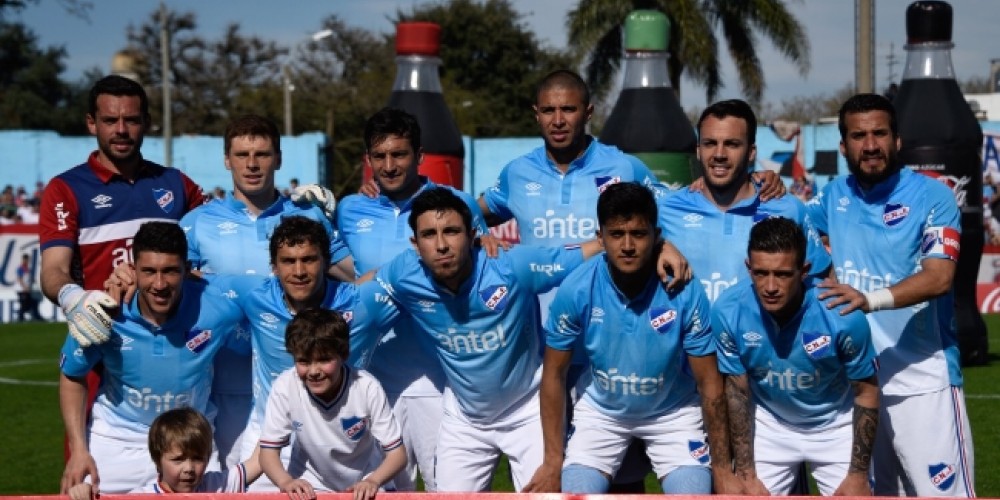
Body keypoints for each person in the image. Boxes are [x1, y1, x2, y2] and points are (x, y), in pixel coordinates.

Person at [372, 187, 612, 492]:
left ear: (473, 234)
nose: (442, 244)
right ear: (415, 245)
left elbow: (590, 251)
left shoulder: (512, 264)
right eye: (429, 234)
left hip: (528, 409)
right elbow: (360, 292)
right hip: (465, 418)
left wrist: (662, 245)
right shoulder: (404, 273)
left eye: (452, 231)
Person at [807, 93, 974, 496]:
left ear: (897, 140)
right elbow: (783, 232)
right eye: (858, 136)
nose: (870, 145)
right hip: (860, 386)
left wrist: (868, 300)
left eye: (879, 133)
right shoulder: (832, 197)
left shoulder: (933, 196)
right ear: (843, 145)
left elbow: (939, 277)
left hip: (924, 382)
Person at [39, 75, 207, 465]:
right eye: (110, 120)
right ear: (91, 123)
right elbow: (53, 270)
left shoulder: (176, 185)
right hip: (101, 348)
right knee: (88, 473)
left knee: (184, 470)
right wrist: (78, 299)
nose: (120, 130)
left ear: (146, 123)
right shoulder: (66, 189)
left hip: (171, 347)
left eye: (131, 120)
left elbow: (216, 241)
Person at [531, 182, 732, 494]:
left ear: (656, 236)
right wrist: (552, 461)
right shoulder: (577, 287)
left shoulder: (684, 289)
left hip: (673, 413)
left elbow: (709, 382)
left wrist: (721, 468)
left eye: (638, 234)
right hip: (601, 414)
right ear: (600, 238)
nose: (627, 245)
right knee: (576, 496)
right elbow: (554, 373)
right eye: (616, 234)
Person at [177, 114, 352, 471]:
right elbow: (169, 284)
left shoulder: (308, 216)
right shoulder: (198, 222)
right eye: (242, 154)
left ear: (279, 158)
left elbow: (353, 277)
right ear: (227, 160)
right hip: (222, 386)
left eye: (262, 154)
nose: (252, 164)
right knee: (232, 487)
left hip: (296, 384)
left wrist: (333, 221)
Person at [336, 107, 489, 491]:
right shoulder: (350, 208)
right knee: (372, 491)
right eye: (380, 156)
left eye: (399, 154)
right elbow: (342, 278)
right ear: (367, 160)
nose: (389, 165)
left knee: (449, 491)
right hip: (371, 381)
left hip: (440, 379)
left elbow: (485, 264)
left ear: (419, 156)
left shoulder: (456, 203)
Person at [58, 222, 244, 495]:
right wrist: (78, 450)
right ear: (132, 270)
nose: (159, 284)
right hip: (119, 438)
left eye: (170, 271)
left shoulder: (218, 309)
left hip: (191, 442)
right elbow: (73, 374)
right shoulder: (104, 310)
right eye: (149, 271)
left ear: (186, 270)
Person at [713, 217, 879, 495]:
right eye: (760, 273)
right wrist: (746, 471)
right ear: (748, 268)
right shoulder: (728, 310)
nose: (770, 286)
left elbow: (866, 391)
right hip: (770, 424)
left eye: (783, 274)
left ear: (804, 270)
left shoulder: (842, 316)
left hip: (835, 426)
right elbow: (737, 391)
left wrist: (858, 475)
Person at [658, 99, 832, 305]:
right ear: (698, 150)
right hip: (688, 338)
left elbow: (824, 280)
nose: (719, 154)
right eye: (710, 143)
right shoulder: (666, 209)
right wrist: (657, 247)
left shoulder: (788, 209)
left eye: (732, 144)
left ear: (751, 152)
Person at [260, 308, 405, 500]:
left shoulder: (366, 386)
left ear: (343, 354)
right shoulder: (285, 386)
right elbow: (267, 453)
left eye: (323, 359)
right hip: (311, 485)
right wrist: (285, 482)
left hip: (366, 481)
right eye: (303, 361)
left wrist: (373, 481)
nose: (313, 371)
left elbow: (398, 455)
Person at [69, 407, 264, 499]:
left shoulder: (218, 485)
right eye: (178, 460)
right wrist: (83, 495)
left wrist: (278, 419)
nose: (188, 468)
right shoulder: (140, 497)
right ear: (157, 460)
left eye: (197, 458)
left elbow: (258, 461)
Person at [16, 253, 41, 321]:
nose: (27, 261)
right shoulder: (20, 268)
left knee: (28, 304)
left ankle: (34, 316)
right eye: (26, 260)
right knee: (24, 305)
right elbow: (19, 279)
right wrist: (24, 287)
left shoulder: (27, 268)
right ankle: (20, 318)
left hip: (27, 290)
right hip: (22, 290)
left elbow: (28, 279)